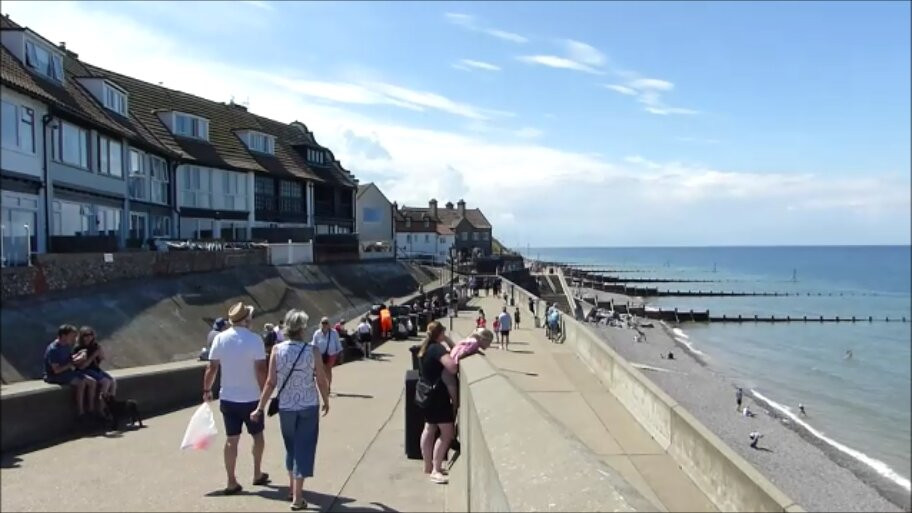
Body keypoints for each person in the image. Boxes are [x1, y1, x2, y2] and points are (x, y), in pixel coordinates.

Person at [251, 309, 330, 511]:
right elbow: (321, 380)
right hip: (308, 405)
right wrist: (326, 400)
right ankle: (297, 497)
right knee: (304, 447)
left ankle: (291, 489)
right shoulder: (312, 350)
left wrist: (260, 407)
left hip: (286, 407)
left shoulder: (277, 350)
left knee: (291, 448)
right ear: (302, 329)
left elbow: (270, 382)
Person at [203, 302, 270, 495]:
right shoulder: (255, 340)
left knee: (231, 439)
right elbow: (261, 370)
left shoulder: (220, 339)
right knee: (257, 436)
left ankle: (231, 481)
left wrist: (207, 389)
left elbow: (212, 368)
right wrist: (265, 393)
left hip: (228, 398)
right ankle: (257, 473)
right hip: (251, 398)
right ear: (247, 319)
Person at [417, 322, 458, 484]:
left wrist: (444, 338)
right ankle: (436, 470)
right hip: (438, 397)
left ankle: (428, 466)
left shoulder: (425, 348)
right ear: (440, 333)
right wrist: (446, 340)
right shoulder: (436, 349)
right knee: (447, 434)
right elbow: (452, 367)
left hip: (426, 395)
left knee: (429, 428)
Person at [44, 324, 98, 423]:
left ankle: (91, 409)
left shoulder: (66, 345)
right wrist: (72, 363)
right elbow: (56, 370)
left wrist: (79, 355)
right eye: (72, 336)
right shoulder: (54, 349)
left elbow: (69, 359)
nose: (74, 338)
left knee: (92, 382)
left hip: (67, 372)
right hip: (55, 376)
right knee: (81, 383)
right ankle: (81, 413)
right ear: (64, 336)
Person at [74, 326, 115, 400]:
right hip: (85, 370)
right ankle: (102, 404)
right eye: (86, 335)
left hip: (95, 369)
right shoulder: (79, 348)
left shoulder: (94, 346)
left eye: (91, 334)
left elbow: (101, 359)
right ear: (81, 337)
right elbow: (82, 366)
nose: (89, 337)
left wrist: (100, 354)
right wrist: (94, 355)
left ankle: (111, 402)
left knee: (113, 381)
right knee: (106, 382)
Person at [312, 317, 343, 394]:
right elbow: (314, 344)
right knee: (322, 371)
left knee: (328, 370)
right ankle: (324, 386)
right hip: (320, 355)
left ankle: (328, 386)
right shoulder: (317, 333)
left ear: (329, 324)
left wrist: (339, 352)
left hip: (331, 355)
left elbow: (337, 343)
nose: (324, 324)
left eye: (326, 323)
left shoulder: (333, 332)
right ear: (320, 324)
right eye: (323, 323)